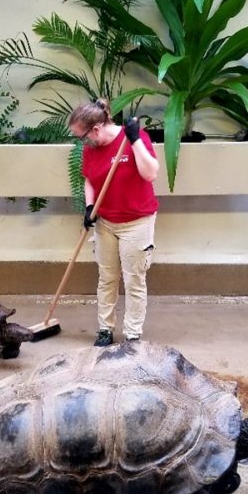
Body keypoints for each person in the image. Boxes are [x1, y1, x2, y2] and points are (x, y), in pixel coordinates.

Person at [68, 98, 160, 346]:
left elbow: (150, 173)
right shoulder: (91, 148)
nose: (81, 142)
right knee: (106, 277)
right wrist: (89, 207)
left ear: (96, 129)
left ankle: (132, 334)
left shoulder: (133, 138)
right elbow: (89, 179)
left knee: (134, 280)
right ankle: (105, 329)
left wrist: (135, 140)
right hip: (105, 222)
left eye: (81, 136)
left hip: (136, 222)